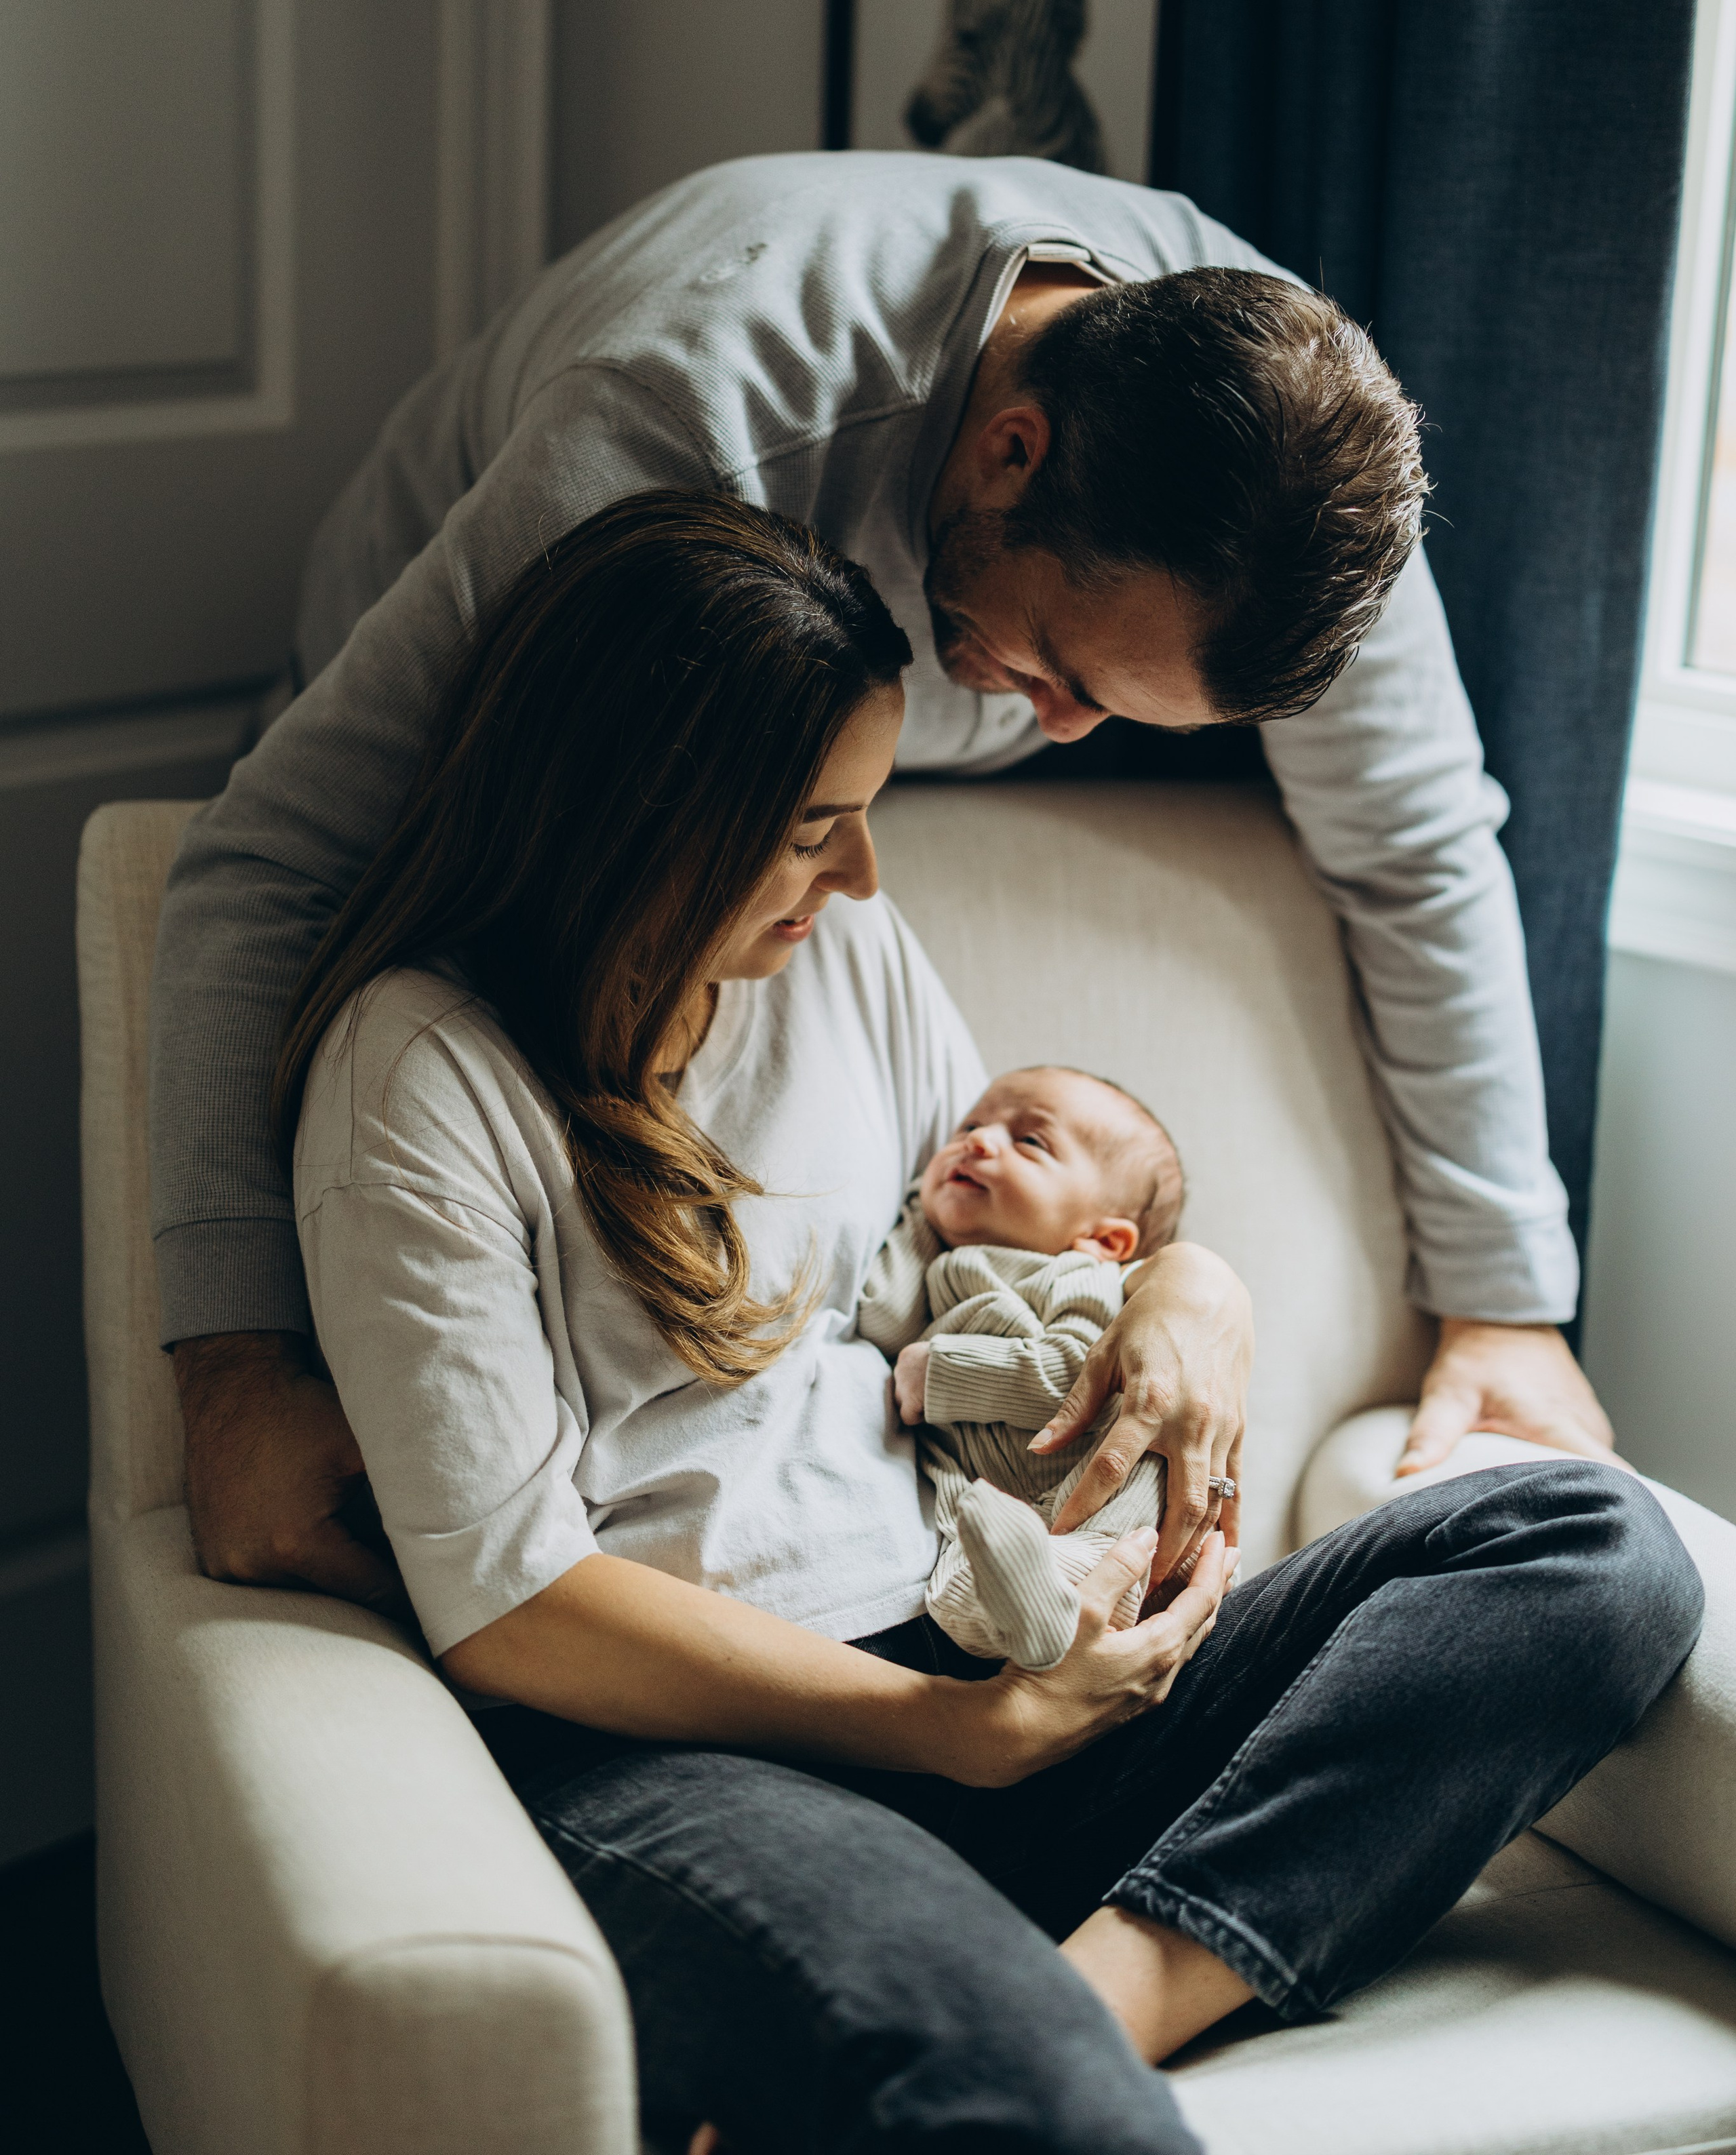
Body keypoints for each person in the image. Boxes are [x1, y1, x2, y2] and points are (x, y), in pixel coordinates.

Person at [280, 493, 1699, 2155]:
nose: (863, 873)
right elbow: (511, 1607)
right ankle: (1028, 2051)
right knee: (1036, 2104)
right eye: (813, 827)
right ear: (640, 816)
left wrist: (1193, 1285)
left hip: (998, 1674)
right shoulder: (421, 1076)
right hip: (693, 1755)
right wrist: (944, 1734)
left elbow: (1019, 1235)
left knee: (1590, 1546)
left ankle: (1096, 1996)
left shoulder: (832, 953)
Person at [152, 150, 1617, 1619]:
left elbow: (1417, 850)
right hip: (471, 669)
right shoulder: (681, 428)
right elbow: (271, 859)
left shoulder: (1294, 472)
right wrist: (235, 1365)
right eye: (1062, 670)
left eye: (1120, 711)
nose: (1060, 734)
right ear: (1012, 452)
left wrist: (1496, 1303)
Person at [856, 1065, 1186, 1669]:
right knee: (954, 1597)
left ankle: (1059, 1594)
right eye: (970, 1127)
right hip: (998, 1515)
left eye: (1030, 1141)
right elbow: (884, 1318)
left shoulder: (1080, 1275)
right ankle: (1035, 1619)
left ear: (1103, 1240)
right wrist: (925, 1212)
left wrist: (943, 1374)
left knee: (1113, 1544)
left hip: (1096, 1493)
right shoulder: (942, 1270)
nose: (977, 1141)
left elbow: (1075, 1380)